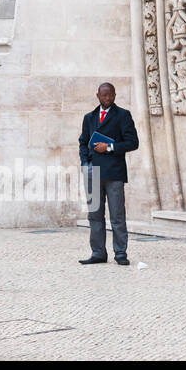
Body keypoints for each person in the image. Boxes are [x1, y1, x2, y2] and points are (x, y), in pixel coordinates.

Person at [78, 82, 139, 265]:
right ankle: (98, 253)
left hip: (114, 173)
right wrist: (85, 163)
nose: (108, 98)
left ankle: (120, 253)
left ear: (114, 95)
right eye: (104, 95)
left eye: (111, 95)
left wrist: (110, 147)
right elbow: (82, 142)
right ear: (98, 95)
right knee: (95, 215)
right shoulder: (88, 117)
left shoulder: (123, 115)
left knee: (117, 215)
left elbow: (133, 142)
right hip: (93, 173)